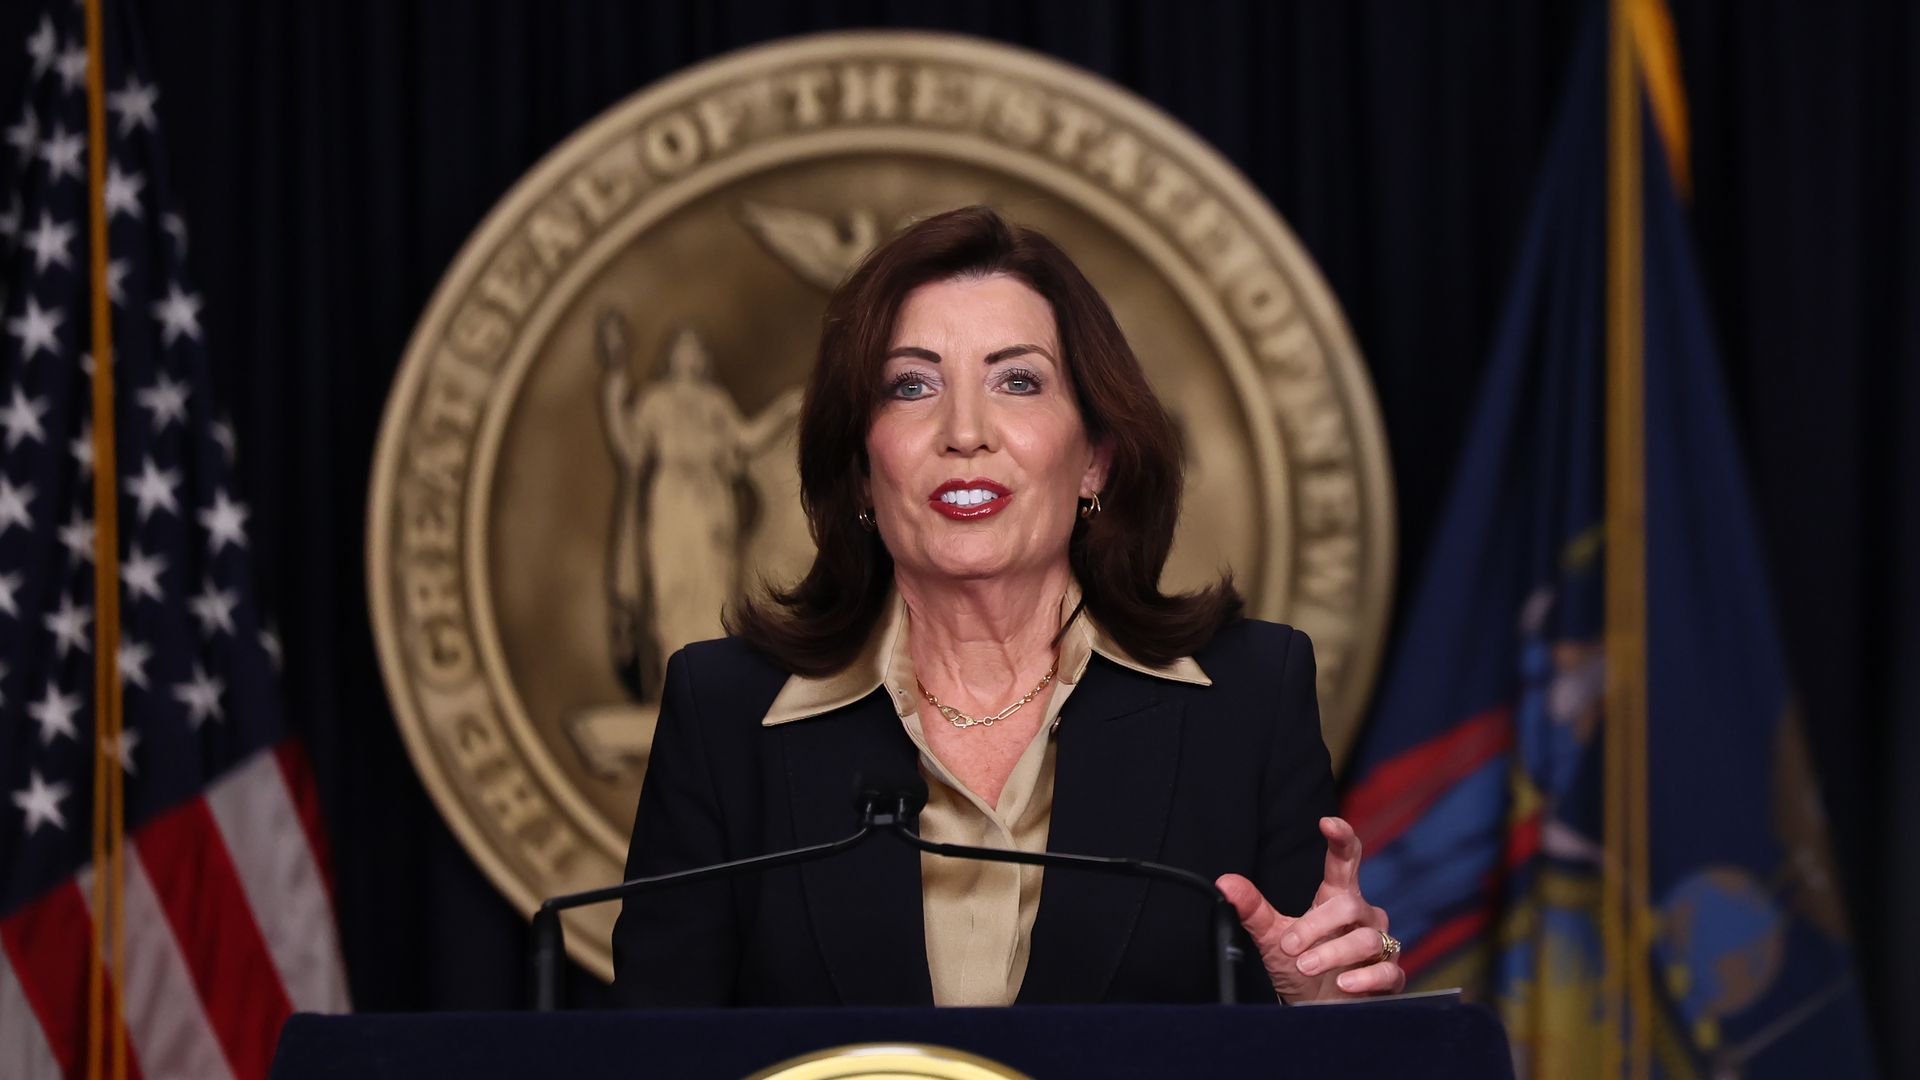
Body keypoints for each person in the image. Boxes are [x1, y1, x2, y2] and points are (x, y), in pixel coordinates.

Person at [612, 206, 1404, 1007]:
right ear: (858, 469)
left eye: (1017, 380)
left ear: (1095, 458)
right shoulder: (722, 713)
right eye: (911, 385)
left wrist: (1326, 1014)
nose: (964, 431)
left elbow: (1320, 1038)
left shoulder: (1249, 699)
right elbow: (652, 1060)